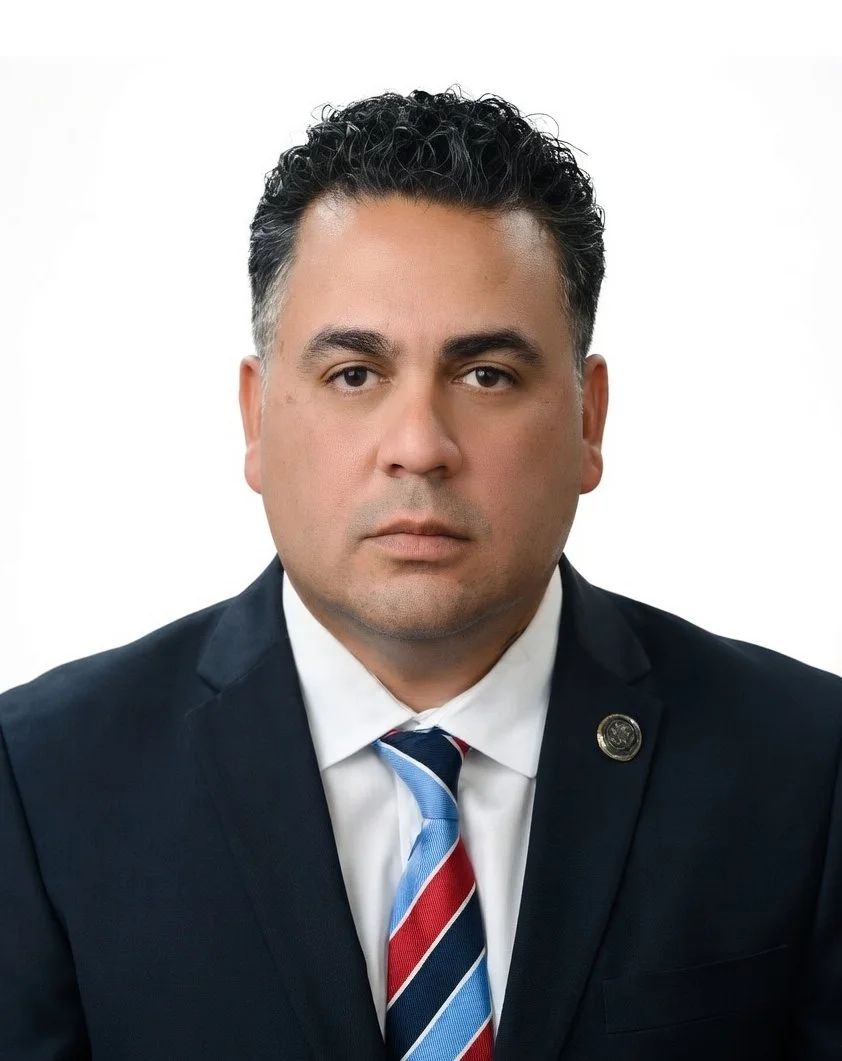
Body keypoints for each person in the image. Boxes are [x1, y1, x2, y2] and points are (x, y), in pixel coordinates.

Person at [1, 86, 840, 1061]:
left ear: (587, 418)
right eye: (354, 374)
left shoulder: (805, 767)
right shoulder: (42, 783)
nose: (419, 445)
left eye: (486, 374)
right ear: (255, 417)